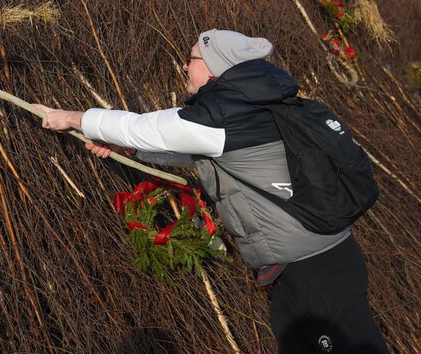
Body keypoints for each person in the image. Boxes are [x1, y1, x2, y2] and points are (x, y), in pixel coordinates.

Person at [35, 29, 388, 353]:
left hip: (315, 269)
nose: (185, 65)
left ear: (215, 67)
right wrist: (129, 150)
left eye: (191, 58)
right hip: (304, 265)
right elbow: (198, 152)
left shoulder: (224, 116)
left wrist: (68, 117)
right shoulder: (250, 107)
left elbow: (141, 127)